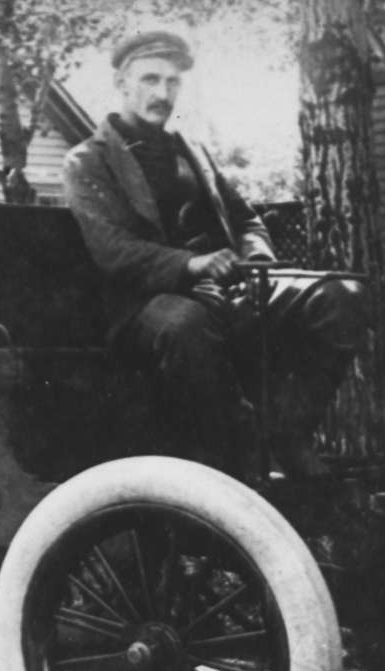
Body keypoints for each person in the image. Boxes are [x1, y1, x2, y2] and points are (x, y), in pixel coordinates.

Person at [62, 30, 365, 476]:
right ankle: (232, 461)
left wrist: (256, 254)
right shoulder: (88, 161)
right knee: (187, 324)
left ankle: (287, 432)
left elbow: (247, 220)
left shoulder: (193, 152)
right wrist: (190, 264)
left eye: (171, 82)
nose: (162, 93)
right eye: (150, 79)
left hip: (227, 290)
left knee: (341, 295)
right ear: (122, 83)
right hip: (145, 306)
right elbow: (113, 251)